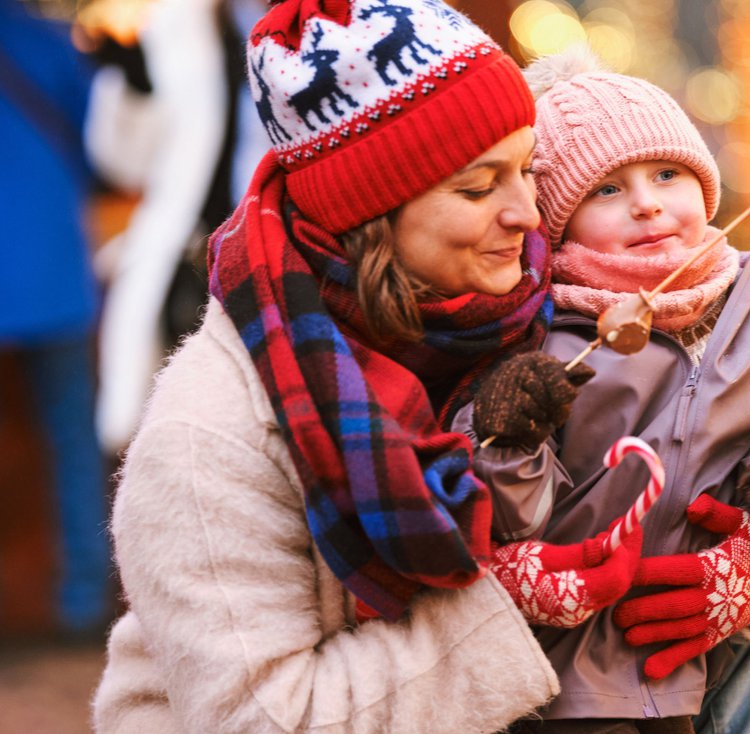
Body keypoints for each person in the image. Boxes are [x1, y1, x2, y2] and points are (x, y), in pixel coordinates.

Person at [92, 3, 650, 731]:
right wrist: (512, 609)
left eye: (526, 170)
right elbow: (265, 720)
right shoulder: (212, 431)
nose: (526, 212)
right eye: (478, 188)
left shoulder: (536, 308)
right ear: (372, 214)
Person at [459, 47, 750, 733]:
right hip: (580, 670)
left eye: (667, 174)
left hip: (725, 644)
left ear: (704, 187)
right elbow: (518, 515)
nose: (647, 204)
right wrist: (511, 442)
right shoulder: (548, 334)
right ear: (557, 219)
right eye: (607, 190)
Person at [88, 0, 272, 456]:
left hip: (280, 264)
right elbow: (122, 165)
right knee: (180, 442)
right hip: (191, 272)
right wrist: (135, 88)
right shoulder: (172, 19)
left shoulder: (326, 22)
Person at [0, 0, 112, 638]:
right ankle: (81, 599)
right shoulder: (55, 43)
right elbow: (105, 151)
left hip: (41, 275)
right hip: (51, 272)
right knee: (73, 440)